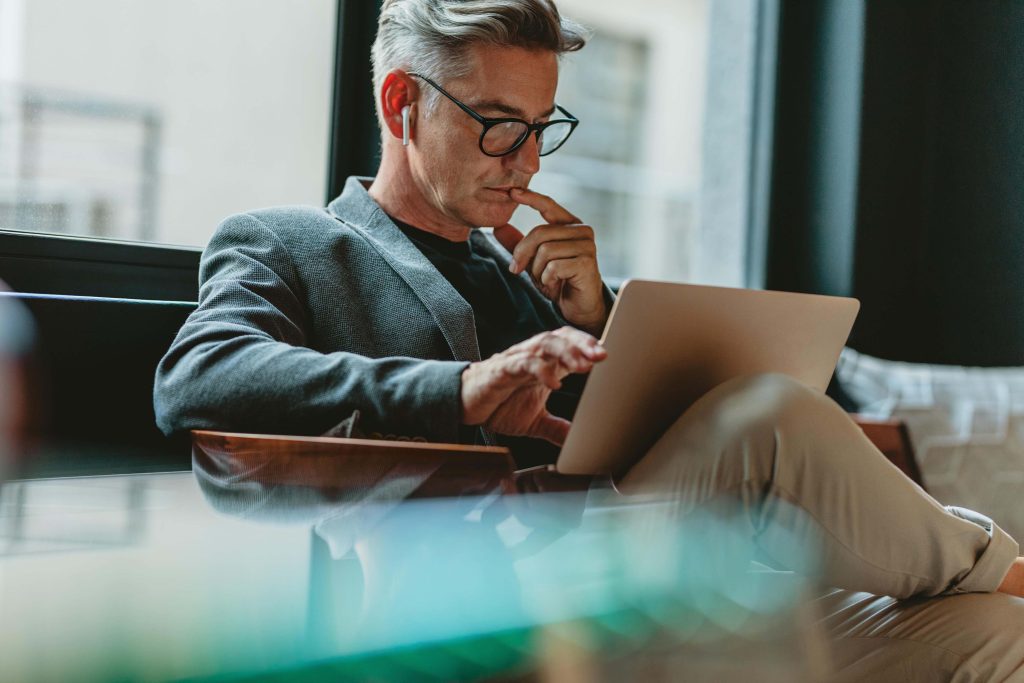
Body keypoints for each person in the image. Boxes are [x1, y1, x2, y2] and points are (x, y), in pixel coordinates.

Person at [154, 1, 1024, 679]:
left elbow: (649, 453)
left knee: (997, 635)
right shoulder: (289, 243)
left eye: (543, 128)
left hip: (668, 591)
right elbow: (198, 376)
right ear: (401, 103)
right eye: (500, 124)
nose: (527, 163)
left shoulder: (535, 284)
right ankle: (1000, 560)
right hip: (492, 605)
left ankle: (995, 582)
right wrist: (461, 389)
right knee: (770, 416)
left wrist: (601, 317)